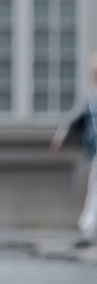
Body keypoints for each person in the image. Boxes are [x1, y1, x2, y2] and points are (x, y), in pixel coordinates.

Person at [49, 54, 97, 247]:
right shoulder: (90, 99)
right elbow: (73, 120)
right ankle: (89, 229)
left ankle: (89, 228)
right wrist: (60, 137)